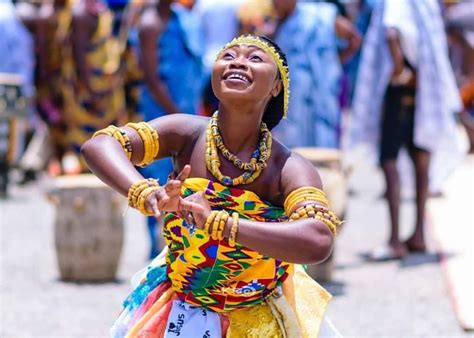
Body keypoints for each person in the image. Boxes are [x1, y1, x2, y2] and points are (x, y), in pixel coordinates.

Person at [82, 35, 342, 337]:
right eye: (228, 55)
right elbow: (100, 145)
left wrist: (220, 224)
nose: (239, 61)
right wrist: (147, 193)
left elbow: (318, 238)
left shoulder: (287, 167)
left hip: (257, 317)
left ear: (275, 87)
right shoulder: (186, 134)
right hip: (181, 304)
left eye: (255, 58)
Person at [351, 0, 462, 260]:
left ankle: (394, 240)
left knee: (389, 160)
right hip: (423, 83)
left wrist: (398, 69)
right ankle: (419, 235)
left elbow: (391, 31)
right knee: (420, 155)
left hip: (401, 86)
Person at [131, 0, 204, 259]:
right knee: (160, 178)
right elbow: (151, 77)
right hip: (163, 114)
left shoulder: (179, 17)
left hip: (184, 109)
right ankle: (158, 249)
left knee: (184, 177)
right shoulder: (150, 23)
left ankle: (180, 245)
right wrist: (176, 114)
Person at [270, 0, 361, 149]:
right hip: (293, 97)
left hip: (321, 94)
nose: (273, 4)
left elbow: (354, 39)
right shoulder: (280, 23)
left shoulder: (321, 15)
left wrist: (336, 62)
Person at [61, 0, 127, 173]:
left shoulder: (99, 9)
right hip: (89, 89)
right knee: (85, 138)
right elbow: (79, 56)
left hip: (105, 86)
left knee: (106, 135)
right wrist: (90, 90)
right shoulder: (81, 13)